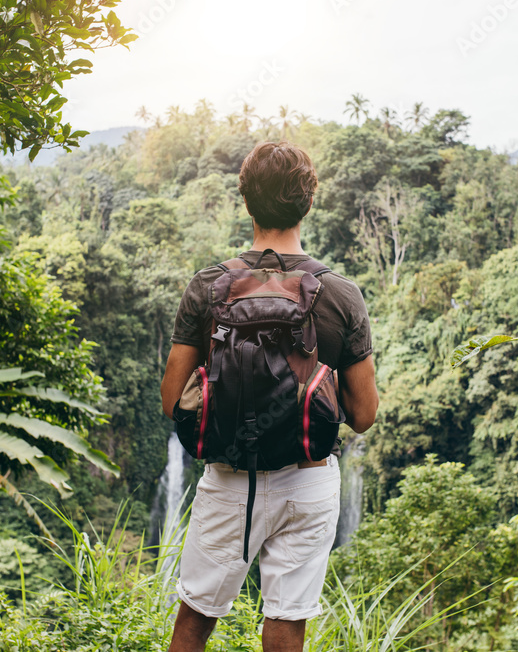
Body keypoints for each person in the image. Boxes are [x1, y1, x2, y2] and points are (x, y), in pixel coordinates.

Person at [160, 140, 379, 652]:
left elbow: (174, 398)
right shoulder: (341, 294)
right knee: (286, 622)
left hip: (230, 480)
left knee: (195, 618)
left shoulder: (208, 286)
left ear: (246, 201)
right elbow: (364, 415)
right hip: (307, 482)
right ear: (308, 202)